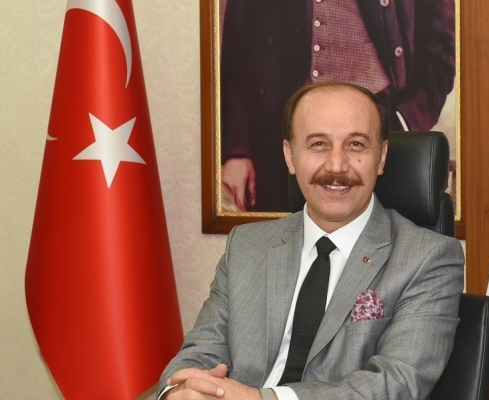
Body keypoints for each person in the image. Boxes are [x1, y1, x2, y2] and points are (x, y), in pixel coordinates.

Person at [159, 82, 464, 400]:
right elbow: (198, 354)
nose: (336, 165)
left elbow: (396, 383)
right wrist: (176, 393)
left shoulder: (428, 258)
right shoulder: (247, 246)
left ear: (381, 156)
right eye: (319, 144)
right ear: (290, 156)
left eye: (356, 144)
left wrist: (264, 399)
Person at [220, 0, 456, 212]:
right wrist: (238, 151)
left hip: (384, 130)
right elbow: (238, 44)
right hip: (281, 132)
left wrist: (404, 120)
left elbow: (440, 51)